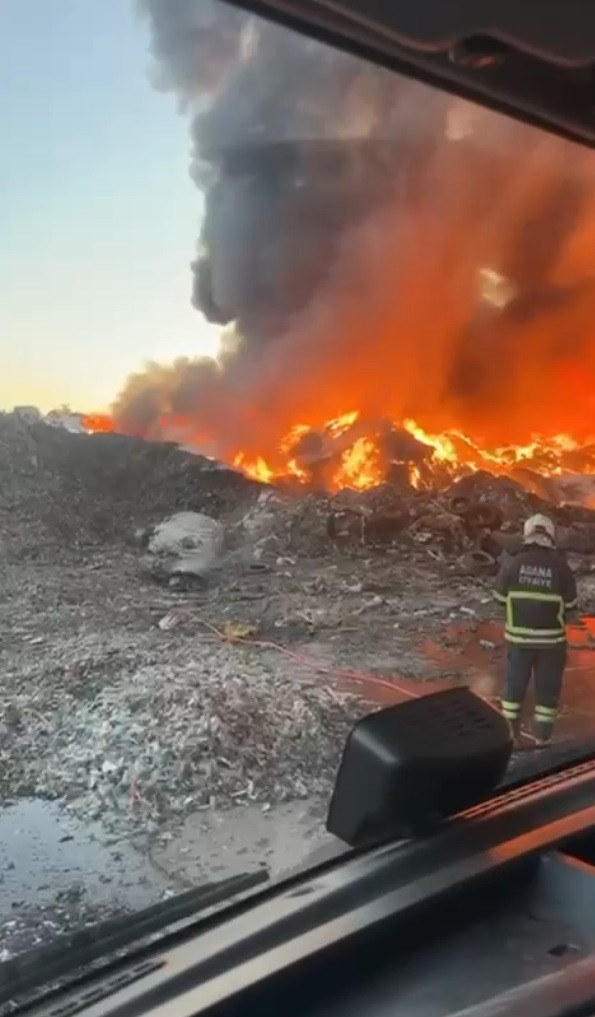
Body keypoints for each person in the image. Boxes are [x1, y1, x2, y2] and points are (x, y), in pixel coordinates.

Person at [494, 513, 578, 745]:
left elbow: (499, 598)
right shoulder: (561, 567)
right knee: (548, 690)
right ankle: (543, 739)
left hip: (519, 640)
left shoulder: (512, 564)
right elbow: (571, 604)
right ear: (550, 537)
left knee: (514, 686)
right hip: (552, 643)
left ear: (526, 535)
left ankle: (511, 736)